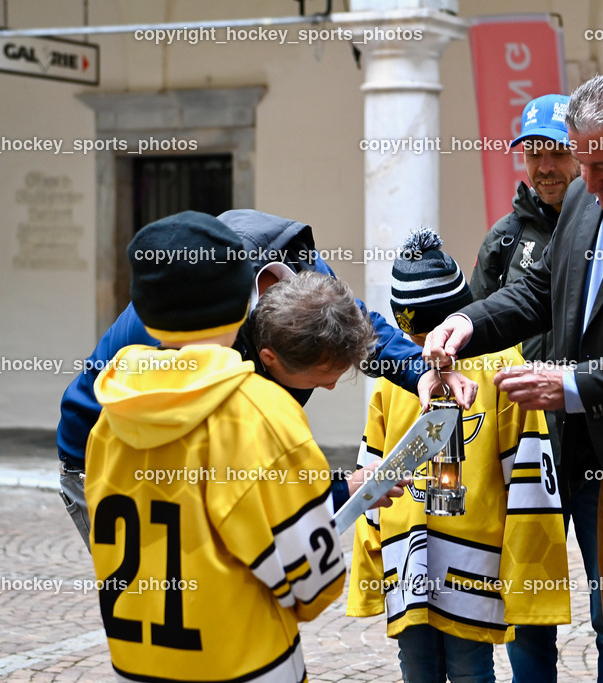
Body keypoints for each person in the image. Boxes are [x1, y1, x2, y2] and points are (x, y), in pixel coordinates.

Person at [424, 74, 603, 682]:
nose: (587, 183)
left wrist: (570, 385)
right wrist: (464, 321)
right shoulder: (583, 205)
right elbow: (539, 292)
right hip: (566, 448)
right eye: (581, 163)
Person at [58, 209, 475, 547]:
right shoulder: (187, 331)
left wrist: (420, 370)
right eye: (320, 378)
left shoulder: (305, 278)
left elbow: (356, 326)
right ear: (266, 357)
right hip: (105, 457)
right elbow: (237, 499)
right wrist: (338, 494)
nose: (329, 387)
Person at [84, 211, 352, 682]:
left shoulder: (110, 414)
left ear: (145, 311)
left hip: (135, 663)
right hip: (245, 664)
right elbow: (312, 581)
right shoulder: (259, 410)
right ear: (244, 301)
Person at [347, 228, 569, 683]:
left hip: (470, 557)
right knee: (420, 665)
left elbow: (528, 474)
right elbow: (375, 461)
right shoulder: (396, 377)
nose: (428, 347)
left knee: (468, 668)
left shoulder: (501, 365)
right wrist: (371, 544)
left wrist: (522, 564)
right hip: (410, 550)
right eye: (416, 334)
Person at [470, 93, 603, 683]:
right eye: (533, 153)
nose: (545, 166)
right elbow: (480, 332)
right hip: (529, 457)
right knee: (527, 609)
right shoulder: (505, 240)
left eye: (556, 151)